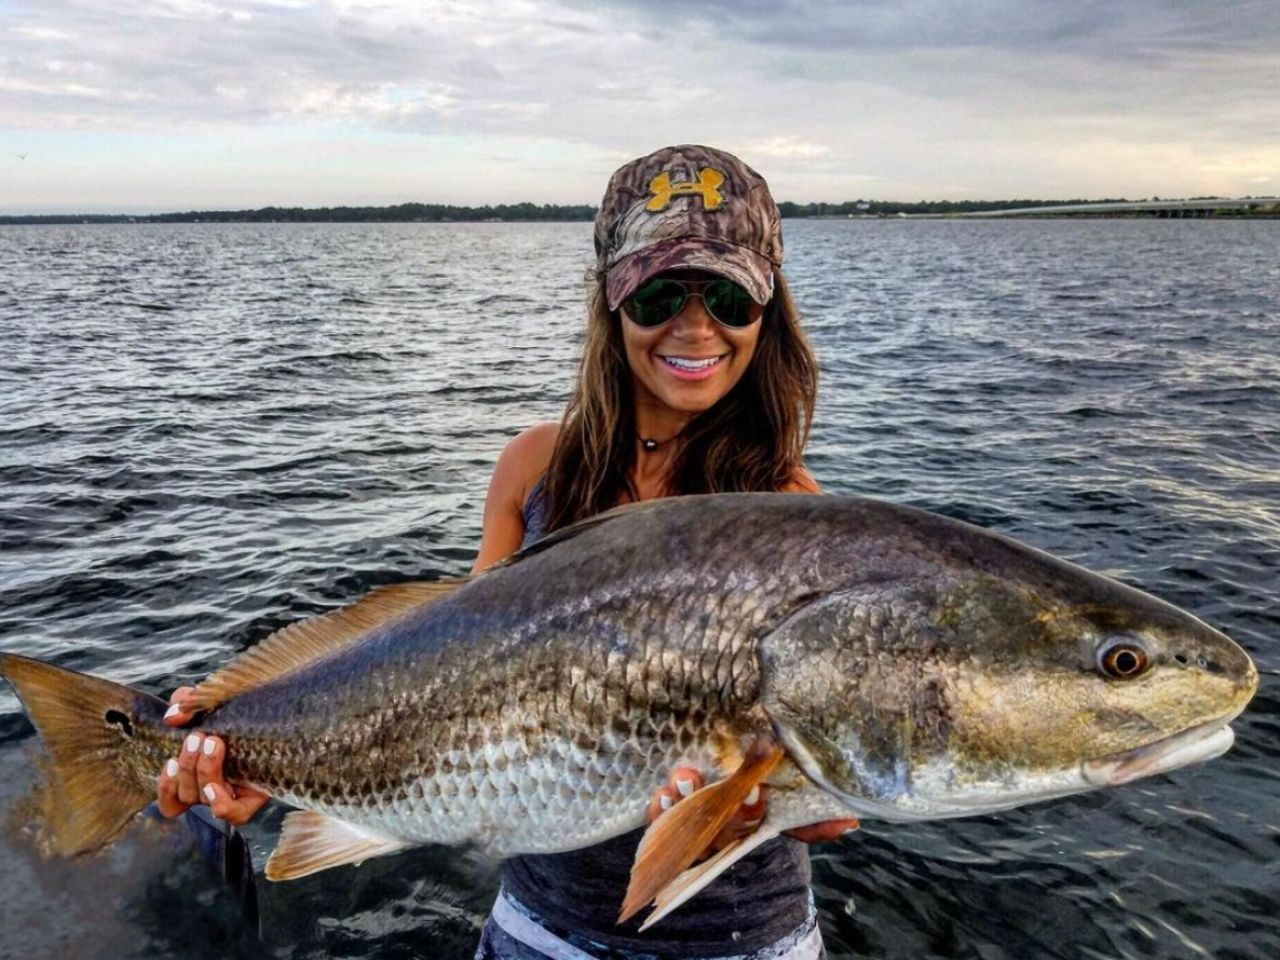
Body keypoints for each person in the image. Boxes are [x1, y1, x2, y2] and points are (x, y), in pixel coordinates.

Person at [155, 144, 856, 959]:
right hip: (536, 931)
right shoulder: (532, 467)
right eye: (660, 292)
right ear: (611, 302)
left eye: (731, 297)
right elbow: (450, 672)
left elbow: (836, 798)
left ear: (768, 313)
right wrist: (245, 752)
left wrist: (750, 802)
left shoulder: (789, 509)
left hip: (738, 942)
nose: (695, 327)